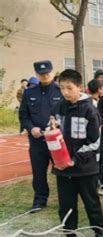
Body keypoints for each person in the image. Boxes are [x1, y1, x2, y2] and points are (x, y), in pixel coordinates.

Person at [50, 69, 103, 237]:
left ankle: (99, 234)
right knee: (66, 205)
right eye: (62, 88)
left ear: (79, 87)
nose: (65, 92)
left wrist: (74, 160)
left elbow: (95, 142)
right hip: (62, 169)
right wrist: (50, 130)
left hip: (85, 168)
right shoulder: (59, 107)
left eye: (69, 88)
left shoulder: (89, 109)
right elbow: (53, 132)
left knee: (91, 202)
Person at [19, 60, 63, 211]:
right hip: (37, 140)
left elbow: (68, 114)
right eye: (41, 73)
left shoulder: (60, 91)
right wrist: (31, 128)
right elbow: (23, 116)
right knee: (38, 172)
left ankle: (64, 199)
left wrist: (58, 125)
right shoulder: (29, 93)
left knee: (62, 170)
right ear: (37, 74)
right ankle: (39, 200)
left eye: (47, 73)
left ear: (52, 71)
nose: (45, 76)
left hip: (57, 139)